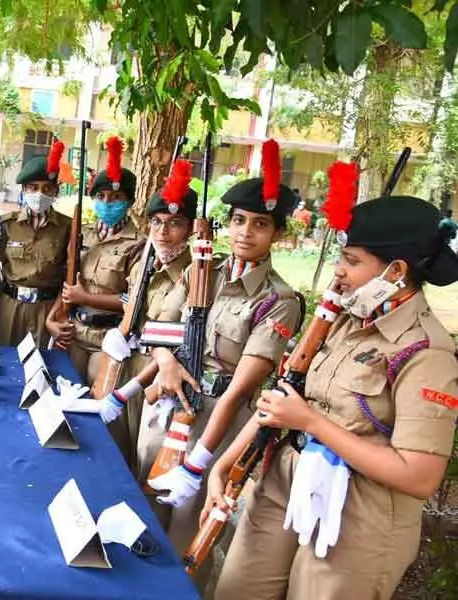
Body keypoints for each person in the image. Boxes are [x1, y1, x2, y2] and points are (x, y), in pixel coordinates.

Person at [210, 190, 458, 600]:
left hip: (359, 519)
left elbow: (419, 476)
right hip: (286, 484)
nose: (338, 271)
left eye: (352, 261)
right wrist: (224, 463)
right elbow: (286, 395)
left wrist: (311, 423)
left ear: (395, 271)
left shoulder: (426, 352)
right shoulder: (344, 319)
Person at [134, 139, 303, 561]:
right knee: (143, 503)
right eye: (240, 220)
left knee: (186, 527)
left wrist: (201, 459)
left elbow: (239, 388)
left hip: (217, 418)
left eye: (260, 224)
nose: (246, 232)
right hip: (171, 399)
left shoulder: (279, 299)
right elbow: (159, 325)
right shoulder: (201, 267)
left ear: (278, 233)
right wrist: (167, 361)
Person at [96, 157, 196, 471]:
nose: (163, 231)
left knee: (144, 460)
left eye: (174, 223)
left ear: (190, 228)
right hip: (128, 361)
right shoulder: (143, 265)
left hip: (157, 376)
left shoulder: (195, 275)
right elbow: (131, 313)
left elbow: (176, 337)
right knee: (113, 448)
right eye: (156, 222)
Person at [46, 136, 143, 383]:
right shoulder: (82, 234)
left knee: (98, 406)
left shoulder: (139, 244)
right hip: (75, 332)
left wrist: (86, 298)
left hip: (109, 338)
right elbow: (68, 282)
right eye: (101, 196)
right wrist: (53, 318)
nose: (107, 202)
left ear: (129, 201)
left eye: (116, 196)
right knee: (64, 396)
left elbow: (132, 300)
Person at [0, 143, 71, 347]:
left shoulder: (67, 227)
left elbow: (69, 273)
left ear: (55, 192)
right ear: (24, 190)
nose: (39, 194)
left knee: (41, 366)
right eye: (33, 188)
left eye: (46, 188)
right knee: (3, 361)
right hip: (10, 305)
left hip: (45, 309)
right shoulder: (7, 224)